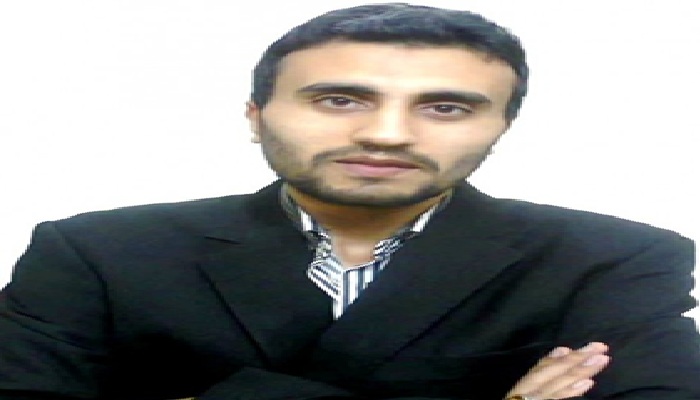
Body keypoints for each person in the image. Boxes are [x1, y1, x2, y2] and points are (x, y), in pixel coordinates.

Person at [1, 2, 698, 399]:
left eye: (447, 107)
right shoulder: (96, 253)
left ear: (500, 127)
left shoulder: (612, 259)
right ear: (256, 116)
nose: (387, 134)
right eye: (339, 99)